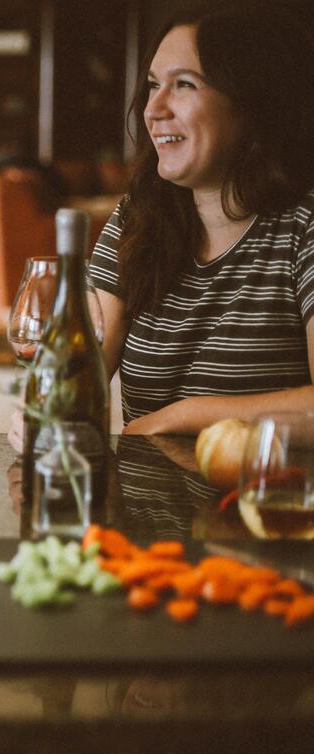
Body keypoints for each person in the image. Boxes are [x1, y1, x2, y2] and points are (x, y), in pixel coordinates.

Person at [87, 0, 314, 435]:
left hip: (264, 501)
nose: (154, 109)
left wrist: (182, 416)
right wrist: (44, 404)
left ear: (252, 103)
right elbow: (82, 368)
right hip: (149, 504)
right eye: (154, 85)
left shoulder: (303, 226)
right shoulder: (137, 216)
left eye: (185, 85)